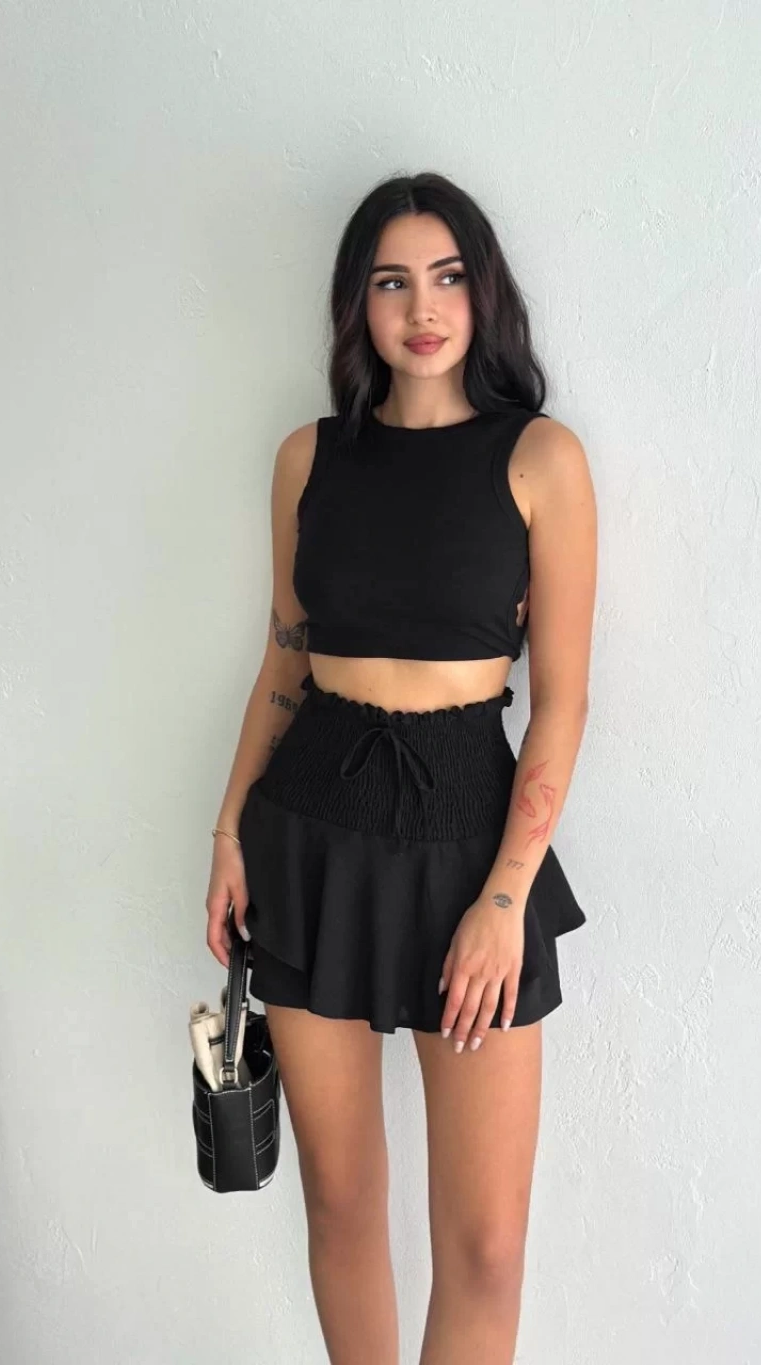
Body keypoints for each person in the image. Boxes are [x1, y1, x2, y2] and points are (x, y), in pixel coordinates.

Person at [205, 170, 597, 1365]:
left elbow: (562, 703)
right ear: (357, 305)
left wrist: (504, 898)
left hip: (470, 839)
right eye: (391, 282)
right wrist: (227, 834)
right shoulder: (308, 458)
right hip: (309, 828)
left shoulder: (539, 458)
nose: (421, 309)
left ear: (483, 293)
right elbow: (284, 658)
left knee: (485, 1247)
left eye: (446, 277)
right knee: (340, 1203)